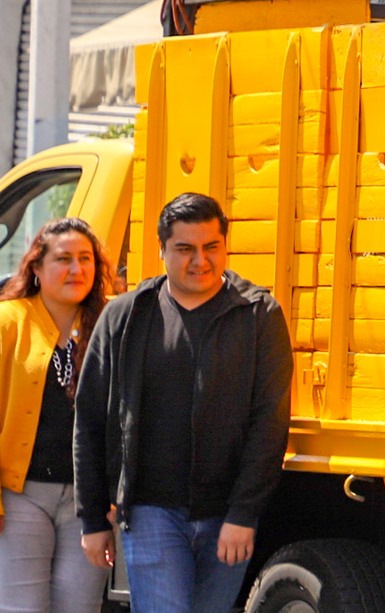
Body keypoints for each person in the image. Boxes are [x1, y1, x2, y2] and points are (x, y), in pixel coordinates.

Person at [74, 194, 291, 613]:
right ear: (162, 251)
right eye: (185, 249)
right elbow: (90, 421)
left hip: (227, 514)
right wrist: (92, 518)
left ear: (225, 246)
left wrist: (244, 513)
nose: (200, 261)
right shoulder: (124, 317)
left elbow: (270, 421)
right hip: (149, 512)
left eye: (211, 247)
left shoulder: (259, 315)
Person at [0, 219, 111, 613]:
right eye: (63, 259)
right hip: (19, 497)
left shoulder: (110, 325)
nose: (76, 269)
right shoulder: (8, 321)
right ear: (36, 267)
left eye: (85, 259)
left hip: (89, 503)